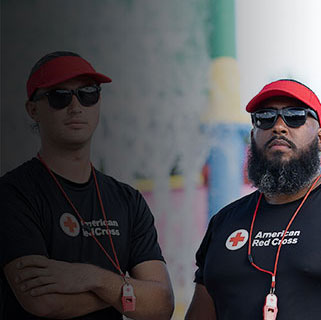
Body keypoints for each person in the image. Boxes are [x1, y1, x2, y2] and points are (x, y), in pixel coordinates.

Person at [0, 51, 174, 320]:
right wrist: (128, 293)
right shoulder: (13, 194)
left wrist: (91, 277)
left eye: (88, 93)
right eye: (60, 96)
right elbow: (44, 302)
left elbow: (161, 305)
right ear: (33, 109)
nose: (76, 106)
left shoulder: (128, 200)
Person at [185, 79, 321, 320]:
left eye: (296, 115)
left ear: (320, 136)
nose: (278, 126)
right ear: (252, 134)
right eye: (265, 117)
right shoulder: (224, 222)